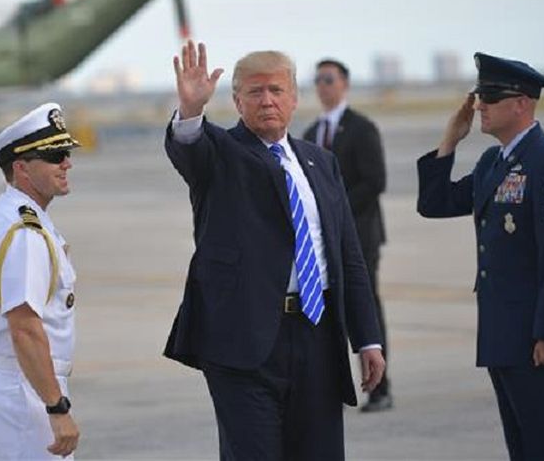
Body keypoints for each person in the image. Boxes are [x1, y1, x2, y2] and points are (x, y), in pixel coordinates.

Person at [162, 40, 385, 460]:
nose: (267, 100)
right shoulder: (222, 154)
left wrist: (367, 338)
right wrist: (191, 111)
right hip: (244, 342)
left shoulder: (321, 162)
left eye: (276, 90)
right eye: (255, 91)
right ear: (237, 100)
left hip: (317, 334)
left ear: (295, 98)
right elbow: (190, 148)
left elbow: (347, 257)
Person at [416, 52, 544, 461]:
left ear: (522, 103)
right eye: (479, 95)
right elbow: (434, 202)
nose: (480, 104)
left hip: (538, 335)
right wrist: (450, 139)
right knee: (523, 447)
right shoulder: (492, 162)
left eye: (491, 96)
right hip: (504, 333)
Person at [0, 103, 81, 459]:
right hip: (26, 388)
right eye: (54, 156)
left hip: (19, 380)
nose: (66, 163)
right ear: (21, 168)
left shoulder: (11, 215)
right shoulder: (25, 232)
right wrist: (56, 408)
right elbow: (24, 327)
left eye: (65, 153)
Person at [303, 58, 391, 413]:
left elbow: (375, 181)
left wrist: (334, 212)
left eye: (329, 79)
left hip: (360, 235)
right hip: (324, 242)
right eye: (318, 80)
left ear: (345, 84)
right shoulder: (310, 134)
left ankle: (380, 388)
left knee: (365, 307)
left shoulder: (362, 128)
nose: (323, 86)